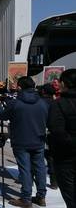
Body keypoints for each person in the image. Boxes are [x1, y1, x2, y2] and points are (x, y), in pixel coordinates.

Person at [0, 76, 48, 207]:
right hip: (39, 140)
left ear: (19, 87)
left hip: (21, 141)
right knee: (40, 168)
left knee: (25, 169)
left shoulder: (16, 103)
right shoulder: (43, 102)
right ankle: (41, 197)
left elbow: (2, 116)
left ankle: (26, 198)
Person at [47, 69, 76, 208]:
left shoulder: (58, 104)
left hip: (66, 158)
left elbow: (57, 132)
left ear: (63, 83)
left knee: (71, 198)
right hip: (66, 154)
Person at [38, 83, 58, 190]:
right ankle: (54, 182)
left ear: (43, 92)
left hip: (40, 132)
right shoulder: (56, 103)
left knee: (37, 157)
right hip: (53, 133)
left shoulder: (40, 102)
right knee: (51, 158)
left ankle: (29, 179)